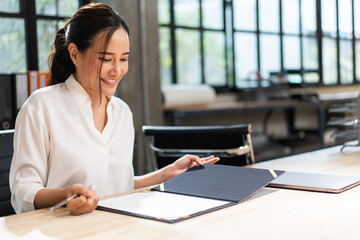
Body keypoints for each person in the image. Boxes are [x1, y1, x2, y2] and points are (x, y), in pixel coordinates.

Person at [9, 3, 219, 215]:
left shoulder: (122, 113)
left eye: (124, 59)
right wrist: (65, 196)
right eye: (106, 59)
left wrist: (169, 172)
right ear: (74, 54)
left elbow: (119, 186)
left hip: (116, 229)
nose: (117, 70)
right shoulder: (42, 106)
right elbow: (23, 191)